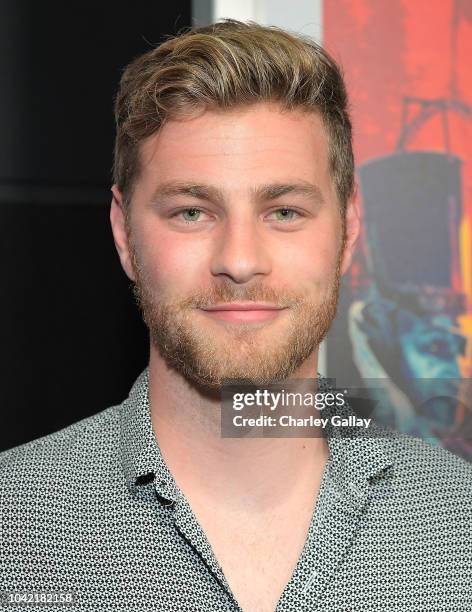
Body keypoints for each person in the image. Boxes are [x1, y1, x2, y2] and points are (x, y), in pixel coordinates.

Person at [0, 19, 470, 612]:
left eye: (285, 212)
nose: (241, 261)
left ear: (349, 229)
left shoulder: (459, 527)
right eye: (192, 213)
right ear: (124, 234)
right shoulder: (13, 530)